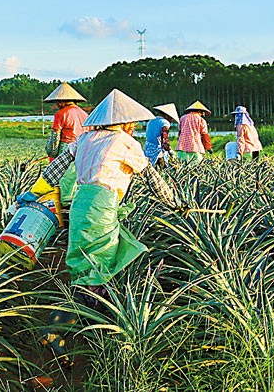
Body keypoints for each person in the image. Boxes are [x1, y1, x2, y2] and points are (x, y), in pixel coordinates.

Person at [19, 89, 181, 364]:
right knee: (96, 271)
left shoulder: (85, 138)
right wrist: (175, 203)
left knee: (88, 264)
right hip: (101, 208)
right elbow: (151, 177)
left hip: (81, 205)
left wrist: (34, 193)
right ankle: (59, 329)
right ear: (127, 122)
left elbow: (55, 170)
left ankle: (94, 327)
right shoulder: (124, 142)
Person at [43, 82, 89, 207]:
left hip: (66, 147)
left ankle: (65, 206)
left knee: (65, 178)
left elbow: (55, 137)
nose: (57, 105)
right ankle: (76, 202)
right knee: (77, 177)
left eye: (59, 102)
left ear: (64, 101)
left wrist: (51, 152)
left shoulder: (61, 114)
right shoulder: (84, 114)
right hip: (83, 147)